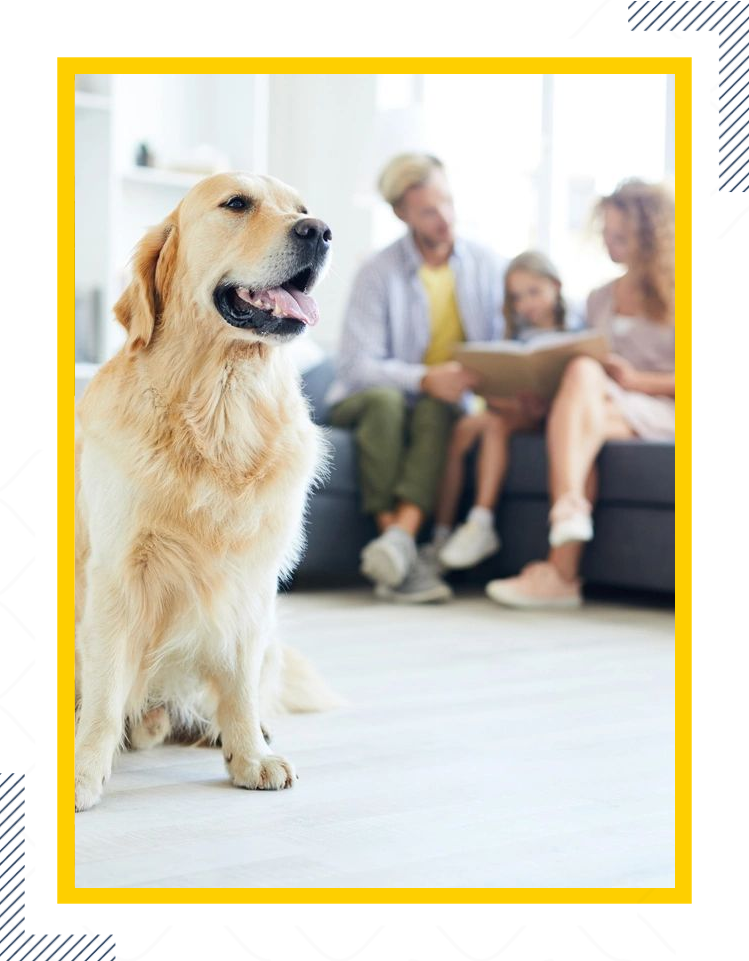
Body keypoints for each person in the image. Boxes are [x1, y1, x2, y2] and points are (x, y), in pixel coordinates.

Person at [324, 153, 508, 602]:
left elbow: (504, 343)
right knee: (389, 403)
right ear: (401, 214)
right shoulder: (377, 272)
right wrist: (425, 378)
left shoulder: (487, 265)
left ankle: (396, 549)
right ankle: (400, 546)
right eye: (428, 210)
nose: (444, 217)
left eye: (446, 201)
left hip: (442, 402)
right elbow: (356, 366)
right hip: (365, 399)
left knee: (439, 409)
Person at [485, 178, 675, 609]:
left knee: (579, 411)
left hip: (667, 406)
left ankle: (561, 563)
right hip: (610, 405)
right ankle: (565, 541)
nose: (610, 244)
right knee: (582, 383)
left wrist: (637, 380)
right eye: (606, 234)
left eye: (621, 236)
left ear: (650, 233)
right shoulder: (599, 299)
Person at [433, 251, 586, 571]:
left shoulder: (578, 328)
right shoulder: (515, 336)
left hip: (560, 416)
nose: (526, 304)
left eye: (534, 292)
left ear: (555, 286)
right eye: (516, 297)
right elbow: (497, 397)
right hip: (520, 411)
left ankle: (480, 521)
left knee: (493, 426)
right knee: (466, 427)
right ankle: (442, 533)